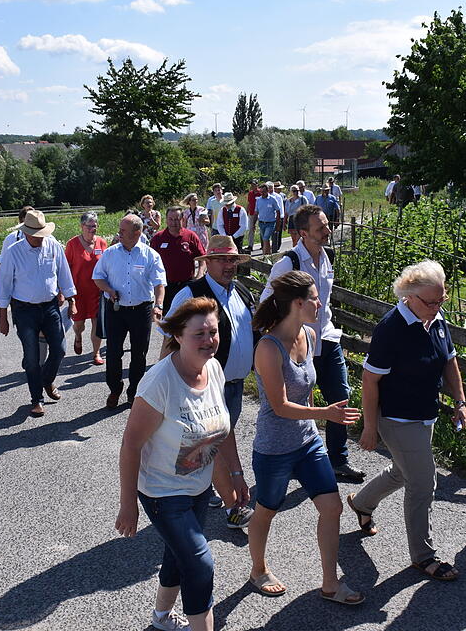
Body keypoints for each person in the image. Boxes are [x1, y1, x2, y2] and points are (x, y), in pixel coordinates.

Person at [116, 297, 248, 631]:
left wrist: (236, 474)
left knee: (180, 555)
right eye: (198, 334)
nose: (209, 340)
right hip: (162, 492)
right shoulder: (159, 382)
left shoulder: (214, 369)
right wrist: (128, 504)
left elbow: (223, 428)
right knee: (200, 565)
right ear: (178, 336)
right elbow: (131, 444)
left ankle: (161, 618)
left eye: (213, 332)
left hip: (199, 487)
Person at [247, 271, 364, 605]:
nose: (320, 303)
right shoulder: (268, 347)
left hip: (308, 442)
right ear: (297, 303)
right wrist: (326, 414)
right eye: (314, 298)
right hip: (275, 447)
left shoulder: (310, 335)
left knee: (332, 507)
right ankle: (258, 570)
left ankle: (330, 584)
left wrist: (316, 419)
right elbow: (281, 406)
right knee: (266, 510)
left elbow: (306, 390)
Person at [350, 260, 466, 582]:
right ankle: (423, 555)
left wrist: (460, 401)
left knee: (403, 471)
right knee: (423, 481)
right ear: (409, 296)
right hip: (397, 417)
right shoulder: (391, 329)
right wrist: (369, 427)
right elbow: (369, 380)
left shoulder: (435, 318)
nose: (437, 306)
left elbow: (449, 361)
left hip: (425, 413)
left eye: (441, 299)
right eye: (431, 302)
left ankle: (362, 503)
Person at [261, 204, 365, 483]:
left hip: (326, 337)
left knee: (340, 395)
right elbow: (266, 301)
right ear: (303, 233)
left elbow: (324, 302)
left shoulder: (327, 256)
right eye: (320, 228)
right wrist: (284, 335)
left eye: (327, 225)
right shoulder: (289, 263)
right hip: (298, 343)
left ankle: (338, 460)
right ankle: (295, 456)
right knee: (295, 400)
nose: (327, 231)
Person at [160, 235, 256, 529]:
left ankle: (199, 491)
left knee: (219, 442)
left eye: (233, 260)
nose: (229, 265)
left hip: (234, 384)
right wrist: (165, 382)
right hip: (202, 385)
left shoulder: (241, 292)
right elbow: (170, 340)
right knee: (211, 443)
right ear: (208, 262)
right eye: (222, 259)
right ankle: (232, 506)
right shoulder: (191, 294)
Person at [0, 209, 76, 417]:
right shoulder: (13, 251)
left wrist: (71, 300)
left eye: (42, 234)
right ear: (26, 233)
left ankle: (47, 380)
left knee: (59, 349)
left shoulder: (53, 246)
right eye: (36, 235)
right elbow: (4, 285)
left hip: (50, 306)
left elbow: (64, 273)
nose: (40, 239)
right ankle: (37, 399)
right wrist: (3, 317)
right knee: (31, 357)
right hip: (24, 310)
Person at [94, 214, 167, 408]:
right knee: (113, 352)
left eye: (123, 230)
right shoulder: (110, 253)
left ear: (137, 232)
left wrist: (158, 305)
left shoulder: (150, 255)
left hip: (141, 310)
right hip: (115, 310)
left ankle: (134, 391)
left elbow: (160, 283)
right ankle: (114, 389)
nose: (118, 233)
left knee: (139, 353)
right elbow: (98, 277)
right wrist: (109, 290)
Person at [65, 210, 108, 364]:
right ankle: (78, 336)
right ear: (82, 226)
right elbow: (65, 269)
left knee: (97, 323)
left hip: (98, 291)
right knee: (79, 324)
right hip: (78, 292)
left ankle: (96, 353)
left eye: (94, 226)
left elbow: (106, 265)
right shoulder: (72, 244)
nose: (92, 229)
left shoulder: (102, 242)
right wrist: (65, 292)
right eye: (89, 226)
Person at [150, 206, 206, 313]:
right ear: (166, 220)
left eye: (177, 219)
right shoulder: (158, 238)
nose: (173, 222)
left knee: (187, 316)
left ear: (182, 219)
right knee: (167, 317)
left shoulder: (190, 236)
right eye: (170, 219)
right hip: (165, 286)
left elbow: (202, 258)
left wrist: (199, 275)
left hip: (186, 285)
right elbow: (150, 262)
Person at [254, 182, 282, 257]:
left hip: (270, 223)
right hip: (261, 223)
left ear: (267, 191)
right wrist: (253, 224)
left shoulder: (273, 199)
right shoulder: (258, 200)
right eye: (261, 192)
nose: (262, 193)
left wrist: (278, 223)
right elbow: (256, 212)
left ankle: (264, 256)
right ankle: (269, 256)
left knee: (265, 238)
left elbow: (278, 211)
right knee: (266, 240)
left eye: (264, 192)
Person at [244, 180, 260, 253]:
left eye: (254, 185)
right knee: (251, 229)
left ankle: (264, 244)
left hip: (260, 213)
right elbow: (249, 203)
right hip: (252, 213)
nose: (252, 186)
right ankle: (250, 245)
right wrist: (247, 212)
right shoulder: (250, 193)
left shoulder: (260, 193)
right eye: (251, 185)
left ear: (257, 185)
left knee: (261, 229)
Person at [271, 182, 286, 252]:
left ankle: (277, 247)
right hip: (273, 216)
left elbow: (282, 207)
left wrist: (282, 217)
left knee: (278, 232)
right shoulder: (271, 196)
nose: (280, 190)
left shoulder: (282, 196)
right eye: (278, 188)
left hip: (280, 216)